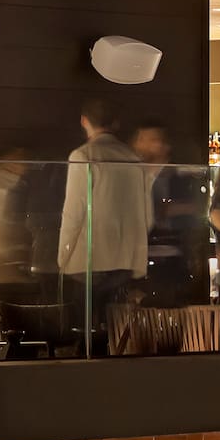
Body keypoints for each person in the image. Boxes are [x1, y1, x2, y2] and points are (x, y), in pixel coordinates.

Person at [57, 98, 151, 326]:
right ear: (116, 123)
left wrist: (63, 256)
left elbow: (74, 211)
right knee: (115, 328)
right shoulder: (133, 158)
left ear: (84, 121)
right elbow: (146, 213)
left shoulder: (83, 156)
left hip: (88, 260)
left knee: (86, 328)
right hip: (125, 259)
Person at [130, 120, 206, 304]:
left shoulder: (182, 175)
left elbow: (198, 208)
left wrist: (167, 210)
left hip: (170, 260)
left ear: (165, 145)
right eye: (140, 139)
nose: (141, 144)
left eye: (150, 139)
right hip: (136, 259)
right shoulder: (133, 175)